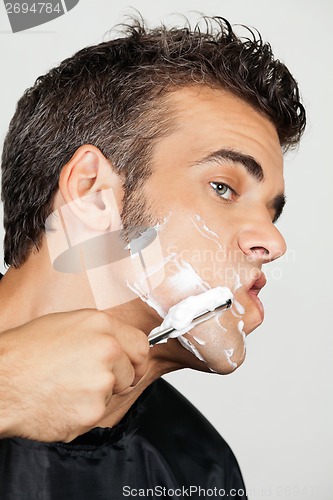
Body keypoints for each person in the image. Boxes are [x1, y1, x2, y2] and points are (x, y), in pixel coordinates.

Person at [0, 15, 305, 499]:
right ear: (93, 194)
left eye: (272, 214)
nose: (273, 242)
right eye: (223, 187)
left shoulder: (201, 472)